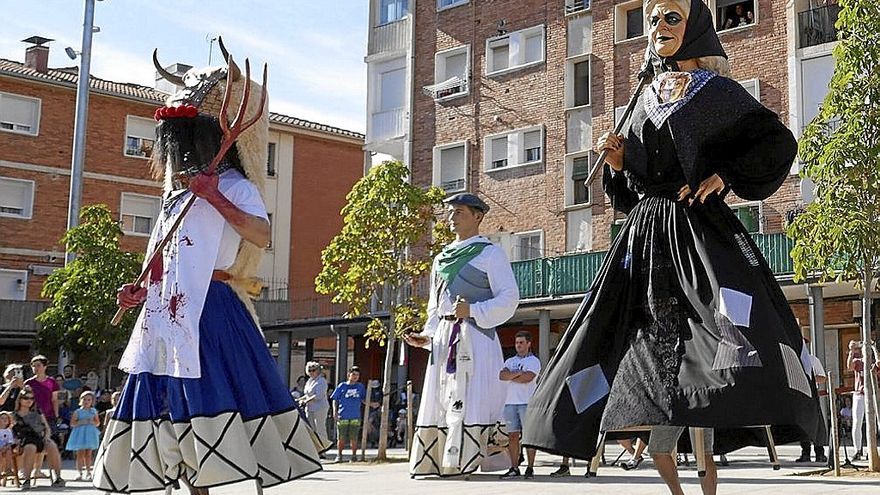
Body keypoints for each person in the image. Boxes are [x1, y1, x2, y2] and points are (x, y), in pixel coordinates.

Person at [522, 2, 825, 494]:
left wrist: (725, 175)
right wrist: (619, 163)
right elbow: (627, 193)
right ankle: (655, 461)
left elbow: (776, 142)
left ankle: (713, 464)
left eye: (671, 18)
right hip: (644, 242)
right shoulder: (641, 97)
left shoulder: (720, 93)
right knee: (621, 334)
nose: (658, 28)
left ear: (695, 27)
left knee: (723, 330)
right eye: (652, 20)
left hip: (699, 236)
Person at [94, 55, 322, 494]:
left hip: (212, 308)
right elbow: (160, 258)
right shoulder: (173, 196)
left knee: (222, 393)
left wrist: (215, 197)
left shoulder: (237, 185)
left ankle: (245, 478)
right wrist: (137, 290)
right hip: (162, 314)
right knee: (168, 403)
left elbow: (260, 233)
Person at [405, 193, 520, 477]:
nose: (452, 218)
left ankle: (468, 460)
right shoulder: (440, 258)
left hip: (477, 337)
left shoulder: (490, 253)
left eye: (459, 212)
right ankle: (439, 461)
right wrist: (427, 335)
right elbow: (435, 305)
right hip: (445, 339)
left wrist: (473, 310)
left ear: (478, 216)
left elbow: (509, 298)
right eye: (450, 213)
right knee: (441, 397)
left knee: (473, 395)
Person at [499, 331, 541, 480]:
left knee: (529, 437)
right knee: (512, 436)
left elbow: (527, 378)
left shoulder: (533, 361)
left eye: (521, 342)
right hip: (510, 403)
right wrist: (517, 373)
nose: (518, 345)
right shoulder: (509, 360)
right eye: (517, 343)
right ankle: (514, 467)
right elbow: (502, 376)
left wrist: (512, 375)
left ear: (529, 344)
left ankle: (530, 467)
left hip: (526, 402)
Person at [12, 386, 65, 489]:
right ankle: (27, 479)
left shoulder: (37, 412)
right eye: (26, 398)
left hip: (39, 437)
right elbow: (10, 430)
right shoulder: (15, 414)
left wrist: (47, 436)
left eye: (31, 398)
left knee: (52, 446)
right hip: (24, 439)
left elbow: (46, 427)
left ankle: (58, 477)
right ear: (20, 399)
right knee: (30, 448)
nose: (29, 401)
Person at [847, 339, 880, 461]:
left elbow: (879, 363)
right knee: (857, 422)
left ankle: (871, 450)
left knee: (873, 423)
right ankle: (858, 450)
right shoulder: (858, 362)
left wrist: (874, 348)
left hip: (871, 395)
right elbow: (849, 366)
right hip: (859, 394)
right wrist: (851, 351)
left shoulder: (872, 364)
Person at [797, 340, 828, 463]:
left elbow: (823, 377)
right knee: (803, 426)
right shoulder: (795, 359)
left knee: (817, 424)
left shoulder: (813, 360)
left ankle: (819, 452)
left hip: (812, 395)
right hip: (800, 395)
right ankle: (805, 453)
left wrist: (809, 378)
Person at [331, 366, 367, 462]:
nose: (355, 377)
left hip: (355, 416)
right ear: (349, 375)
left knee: (354, 437)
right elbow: (335, 399)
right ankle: (339, 455)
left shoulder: (360, 387)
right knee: (341, 437)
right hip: (343, 415)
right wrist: (335, 412)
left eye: (357, 375)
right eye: (354, 374)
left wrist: (372, 404)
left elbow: (363, 399)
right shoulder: (342, 386)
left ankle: (354, 456)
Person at [67, 390, 101, 481]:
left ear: (92, 401)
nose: (86, 401)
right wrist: (81, 422)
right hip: (80, 434)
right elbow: (72, 423)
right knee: (80, 454)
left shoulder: (93, 411)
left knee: (89, 454)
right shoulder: (77, 411)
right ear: (81, 400)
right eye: (84, 399)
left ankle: (89, 472)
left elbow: (97, 423)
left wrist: (92, 422)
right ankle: (79, 472)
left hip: (90, 434)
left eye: (89, 400)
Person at [299, 362, 330, 448]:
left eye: (313, 370)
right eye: (309, 370)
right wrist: (299, 400)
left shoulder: (322, 381)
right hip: (309, 408)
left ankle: (323, 448)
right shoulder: (309, 381)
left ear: (318, 371)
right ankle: (315, 449)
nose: (311, 372)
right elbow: (307, 394)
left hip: (320, 408)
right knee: (311, 429)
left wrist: (305, 401)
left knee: (320, 428)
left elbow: (318, 396)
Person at [24, 356, 60, 425]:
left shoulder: (52, 382)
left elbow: (55, 400)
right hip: (32, 415)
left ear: (45, 367)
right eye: (33, 366)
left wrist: (56, 415)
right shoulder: (28, 383)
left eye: (38, 365)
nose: (35, 368)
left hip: (48, 415)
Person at [0, 411, 13, 481]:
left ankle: (8, 469)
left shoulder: (8, 431)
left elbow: (10, 441)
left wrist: (6, 447)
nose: (5, 420)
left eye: (6, 418)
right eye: (2, 418)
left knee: (9, 451)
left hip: (6, 447)